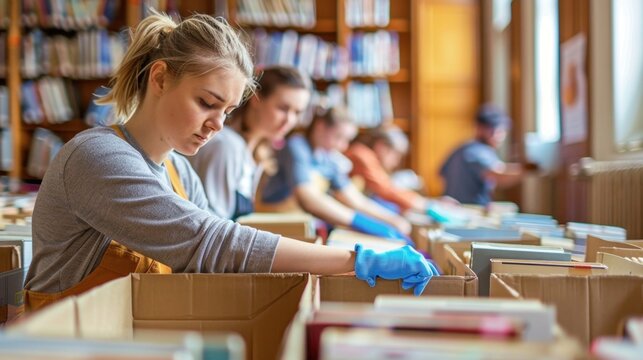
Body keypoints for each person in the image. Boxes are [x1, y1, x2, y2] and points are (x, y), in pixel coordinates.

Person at [23, 13, 437, 310]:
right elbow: (210, 243)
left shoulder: (178, 169)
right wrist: (356, 259)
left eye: (227, 111)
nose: (217, 125)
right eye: (206, 103)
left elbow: (219, 264)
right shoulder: (97, 157)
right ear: (161, 78)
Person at [259, 106, 413, 241]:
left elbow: (354, 199)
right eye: (338, 137)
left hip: (300, 225)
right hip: (272, 223)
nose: (343, 145)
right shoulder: (297, 146)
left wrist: (392, 220)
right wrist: (360, 222)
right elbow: (308, 198)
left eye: (347, 140)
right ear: (320, 127)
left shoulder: (328, 158)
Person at [188, 66, 311, 220]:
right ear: (256, 98)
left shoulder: (256, 153)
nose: (289, 120)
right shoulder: (226, 146)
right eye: (283, 108)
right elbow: (212, 225)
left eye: (297, 112)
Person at [440, 104, 526, 206]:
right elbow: (499, 174)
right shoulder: (479, 151)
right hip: (471, 210)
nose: (499, 136)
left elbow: (441, 173)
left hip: (453, 209)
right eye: (495, 131)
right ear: (479, 128)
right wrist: (527, 169)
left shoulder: (461, 148)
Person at [346, 125, 437, 214]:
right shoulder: (362, 155)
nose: (396, 162)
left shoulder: (366, 155)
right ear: (381, 146)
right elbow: (386, 189)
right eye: (396, 155)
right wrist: (425, 205)